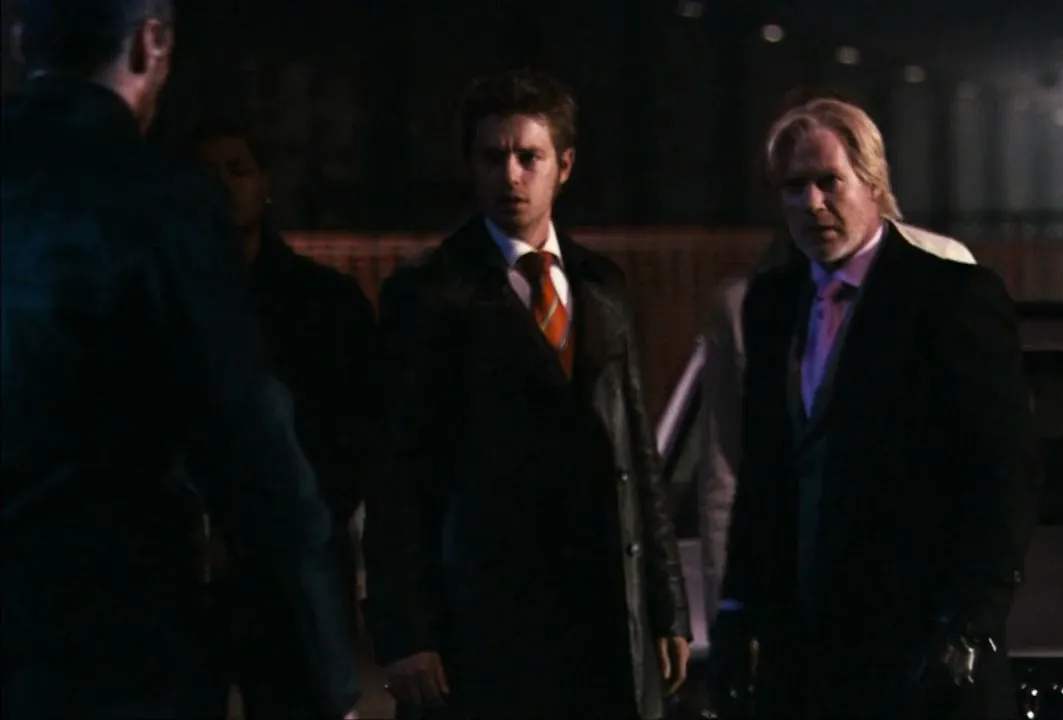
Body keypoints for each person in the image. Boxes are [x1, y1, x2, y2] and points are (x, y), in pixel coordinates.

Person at [0, 1, 359, 718]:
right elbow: (248, 450)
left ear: (19, 42)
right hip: (113, 647)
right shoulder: (160, 202)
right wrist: (324, 680)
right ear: (150, 43)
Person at [364, 68, 691, 720]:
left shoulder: (601, 285)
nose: (510, 175)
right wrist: (407, 632)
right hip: (486, 619)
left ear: (563, 166)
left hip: (598, 611)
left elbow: (637, 458)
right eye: (493, 158)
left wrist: (665, 606)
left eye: (528, 157)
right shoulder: (429, 293)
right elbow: (396, 471)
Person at [711, 97, 1042, 719]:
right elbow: (765, 474)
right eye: (794, 188)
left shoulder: (949, 296)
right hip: (801, 654)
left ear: (873, 181)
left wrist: (970, 621)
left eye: (829, 182)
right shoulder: (771, 304)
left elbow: (1003, 469)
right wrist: (737, 609)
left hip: (913, 645)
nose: (812, 204)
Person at [188, 119, 378, 718]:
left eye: (238, 170)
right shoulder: (161, 301)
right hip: (187, 573)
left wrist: (284, 525)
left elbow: (357, 435)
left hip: (295, 571)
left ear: (265, 183)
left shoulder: (325, 303)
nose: (223, 185)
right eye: (205, 173)